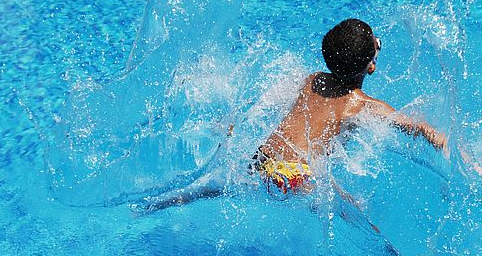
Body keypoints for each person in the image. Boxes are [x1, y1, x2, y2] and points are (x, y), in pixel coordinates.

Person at [140, 18, 446, 212]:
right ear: (371, 67)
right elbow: (412, 126)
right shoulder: (359, 104)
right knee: (353, 217)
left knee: (212, 189)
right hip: (296, 175)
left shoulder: (311, 80)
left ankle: (155, 204)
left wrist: (230, 125)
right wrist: (440, 138)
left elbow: (263, 101)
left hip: (262, 158)